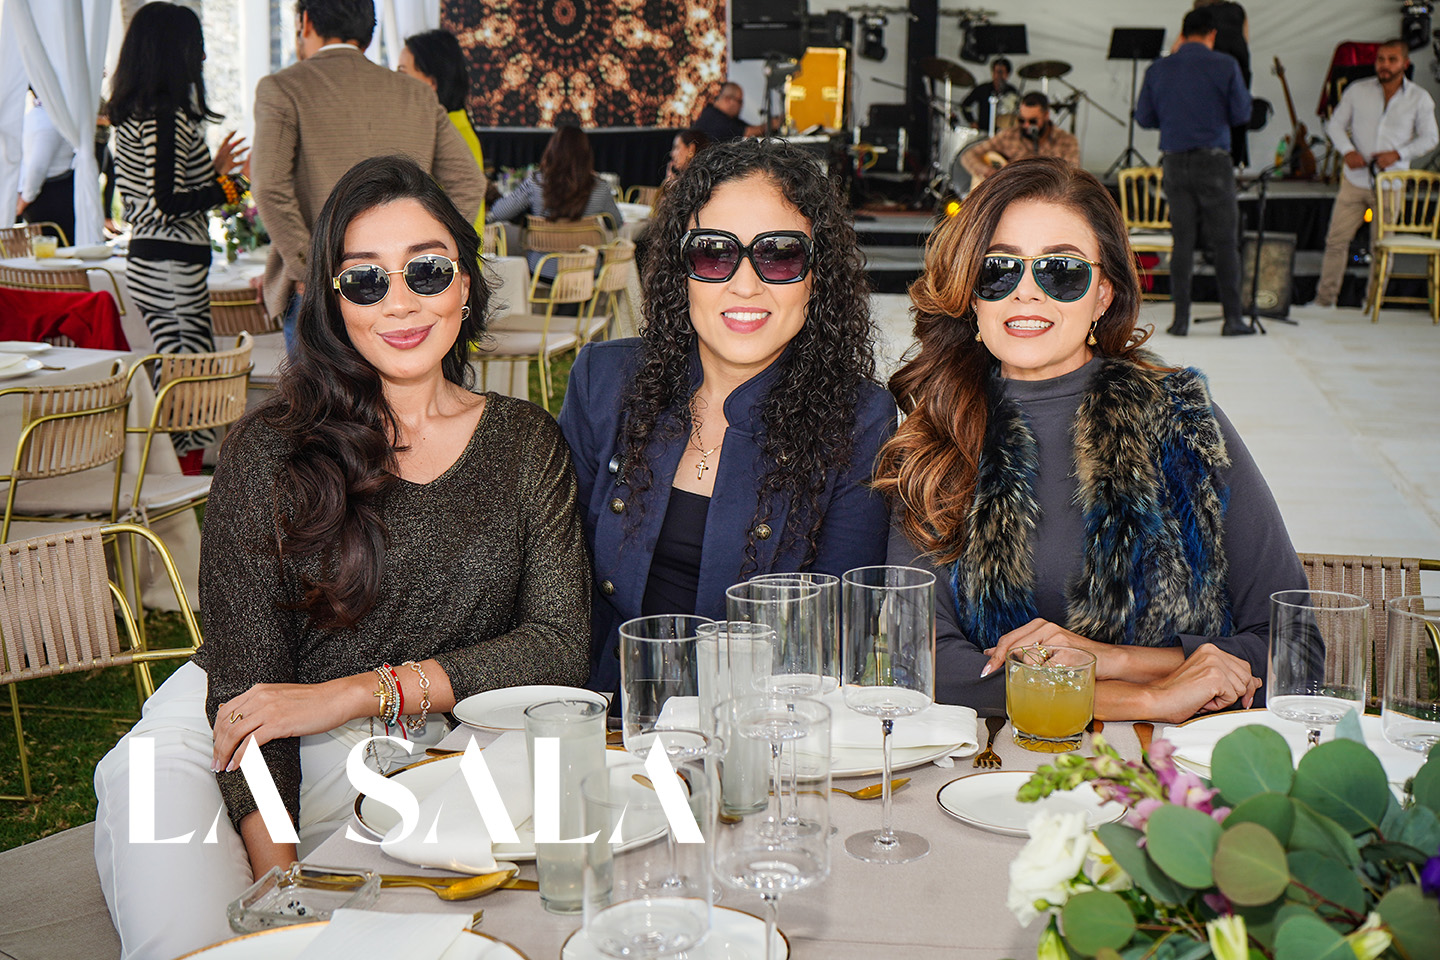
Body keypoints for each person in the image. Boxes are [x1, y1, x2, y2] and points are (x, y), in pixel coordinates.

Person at [92, 155, 591, 960]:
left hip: (413, 746)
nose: (400, 301)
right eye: (364, 279)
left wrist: (358, 693)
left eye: (427, 271)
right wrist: (285, 889)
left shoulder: (526, 443)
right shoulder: (271, 449)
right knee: (202, 940)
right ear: (332, 302)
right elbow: (253, 695)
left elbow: (559, 644)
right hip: (219, 739)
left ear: (465, 284)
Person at [874, 157, 1307, 723]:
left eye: (1061, 271)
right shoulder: (935, 435)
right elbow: (914, 657)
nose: (1026, 293)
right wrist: (1144, 696)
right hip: (993, 760)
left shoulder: (1179, 421)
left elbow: (1296, 647)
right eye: (999, 269)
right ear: (971, 293)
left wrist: (1111, 658)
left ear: (1103, 294)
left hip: (1166, 766)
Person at [558, 138, 896, 695]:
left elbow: (838, 636)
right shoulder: (605, 383)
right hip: (608, 720)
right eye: (714, 252)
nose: (745, 284)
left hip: (763, 725)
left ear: (817, 277)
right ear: (681, 271)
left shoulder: (858, 420)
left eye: (780, 255)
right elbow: (555, 596)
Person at [251, 0, 484, 351]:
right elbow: (469, 181)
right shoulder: (416, 93)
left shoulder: (284, 88)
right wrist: (428, 254)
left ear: (305, 21)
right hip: (406, 285)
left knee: (323, 387)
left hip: (321, 290)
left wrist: (310, 267)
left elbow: (268, 185)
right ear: (370, 32)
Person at [108, 2, 249, 472]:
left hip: (155, 260)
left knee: (183, 369)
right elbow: (167, 201)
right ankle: (175, 479)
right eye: (196, 46)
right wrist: (233, 186)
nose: (202, 57)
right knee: (188, 374)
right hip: (169, 264)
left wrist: (214, 173)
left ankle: (173, 476)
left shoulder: (138, 114)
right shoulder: (165, 116)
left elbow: (157, 193)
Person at [1135, 6, 1254, 337]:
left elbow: (1144, 117)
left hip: (1174, 161)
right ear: (1212, 34)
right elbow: (1242, 113)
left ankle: (1181, 321)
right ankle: (1233, 319)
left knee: (1182, 241)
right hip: (1214, 161)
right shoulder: (1226, 65)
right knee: (1225, 241)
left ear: (1182, 34)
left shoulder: (1158, 68)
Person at [1314, 38, 1438, 309]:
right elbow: (1334, 125)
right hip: (1355, 180)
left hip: (1391, 182)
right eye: (1381, 59)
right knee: (1336, 240)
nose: (1385, 65)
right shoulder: (1358, 90)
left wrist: (1399, 154)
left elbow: (1431, 137)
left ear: (1405, 63)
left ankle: (1373, 303)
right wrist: (1348, 151)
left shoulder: (1419, 98)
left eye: (1392, 60)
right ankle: (1324, 301)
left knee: (1381, 245)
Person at [487, 125, 623, 274]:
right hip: (587, 271)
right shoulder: (600, 187)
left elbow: (499, 212)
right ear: (587, 154)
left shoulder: (536, 183)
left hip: (542, 271)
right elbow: (616, 223)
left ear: (551, 150)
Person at [399, 27, 486, 229]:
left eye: (402, 73)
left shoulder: (449, 134)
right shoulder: (454, 126)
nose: (395, 82)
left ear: (431, 83)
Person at [961, 92, 1080, 184]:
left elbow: (1071, 176)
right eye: (1022, 120)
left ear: (1046, 115)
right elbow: (968, 155)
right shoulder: (1009, 135)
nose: (1026, 125)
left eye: (1032, 121)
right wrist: (989, 172)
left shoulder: (1067, 141)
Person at [1194, 0, 1252, 166]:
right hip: (1239, 68)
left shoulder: (1200, 13)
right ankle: (1236, 160)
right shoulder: (1238, 9)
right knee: (1238, 115)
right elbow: (1245, 41)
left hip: (1212, 69)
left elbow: (1186, 45)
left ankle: (1207, 161)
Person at [16, 92, 77, 243]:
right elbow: (37, 167)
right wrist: (24, 199)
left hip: (49, 193)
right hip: (48, 196)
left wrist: (24, 198)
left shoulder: (43, 117)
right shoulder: (47, 119)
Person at [695, 82, 770, 142]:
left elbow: (748, 128)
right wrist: (771, 124)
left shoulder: (728, 118)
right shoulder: (713, 118)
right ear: (728, 100)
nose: (741, 106)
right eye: (739, 101)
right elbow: (747, 133)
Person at [961, 57, 1019, 133]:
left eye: (1001, 72)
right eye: (996, 72)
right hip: (984, 131)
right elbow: (965, 105)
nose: (998, 76)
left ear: (1007, 74)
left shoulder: (1012, 91)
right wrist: (972, 121)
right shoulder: (983, 88)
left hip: (1004, 133)